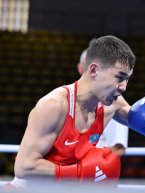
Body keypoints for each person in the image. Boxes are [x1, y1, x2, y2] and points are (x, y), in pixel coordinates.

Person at [12, 35, 136, 185]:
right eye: (120, 77)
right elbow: (24, 166)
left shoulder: (112, 104)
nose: (124, 87)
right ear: (94, 71)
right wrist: (79, 172)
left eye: (127, 79)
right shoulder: (54, 106)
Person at [78, 49, 128, 157]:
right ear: (81, 69)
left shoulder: (113, 100)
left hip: (98, 171)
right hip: (66, 171)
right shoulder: (59, 102)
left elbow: (119, 148)